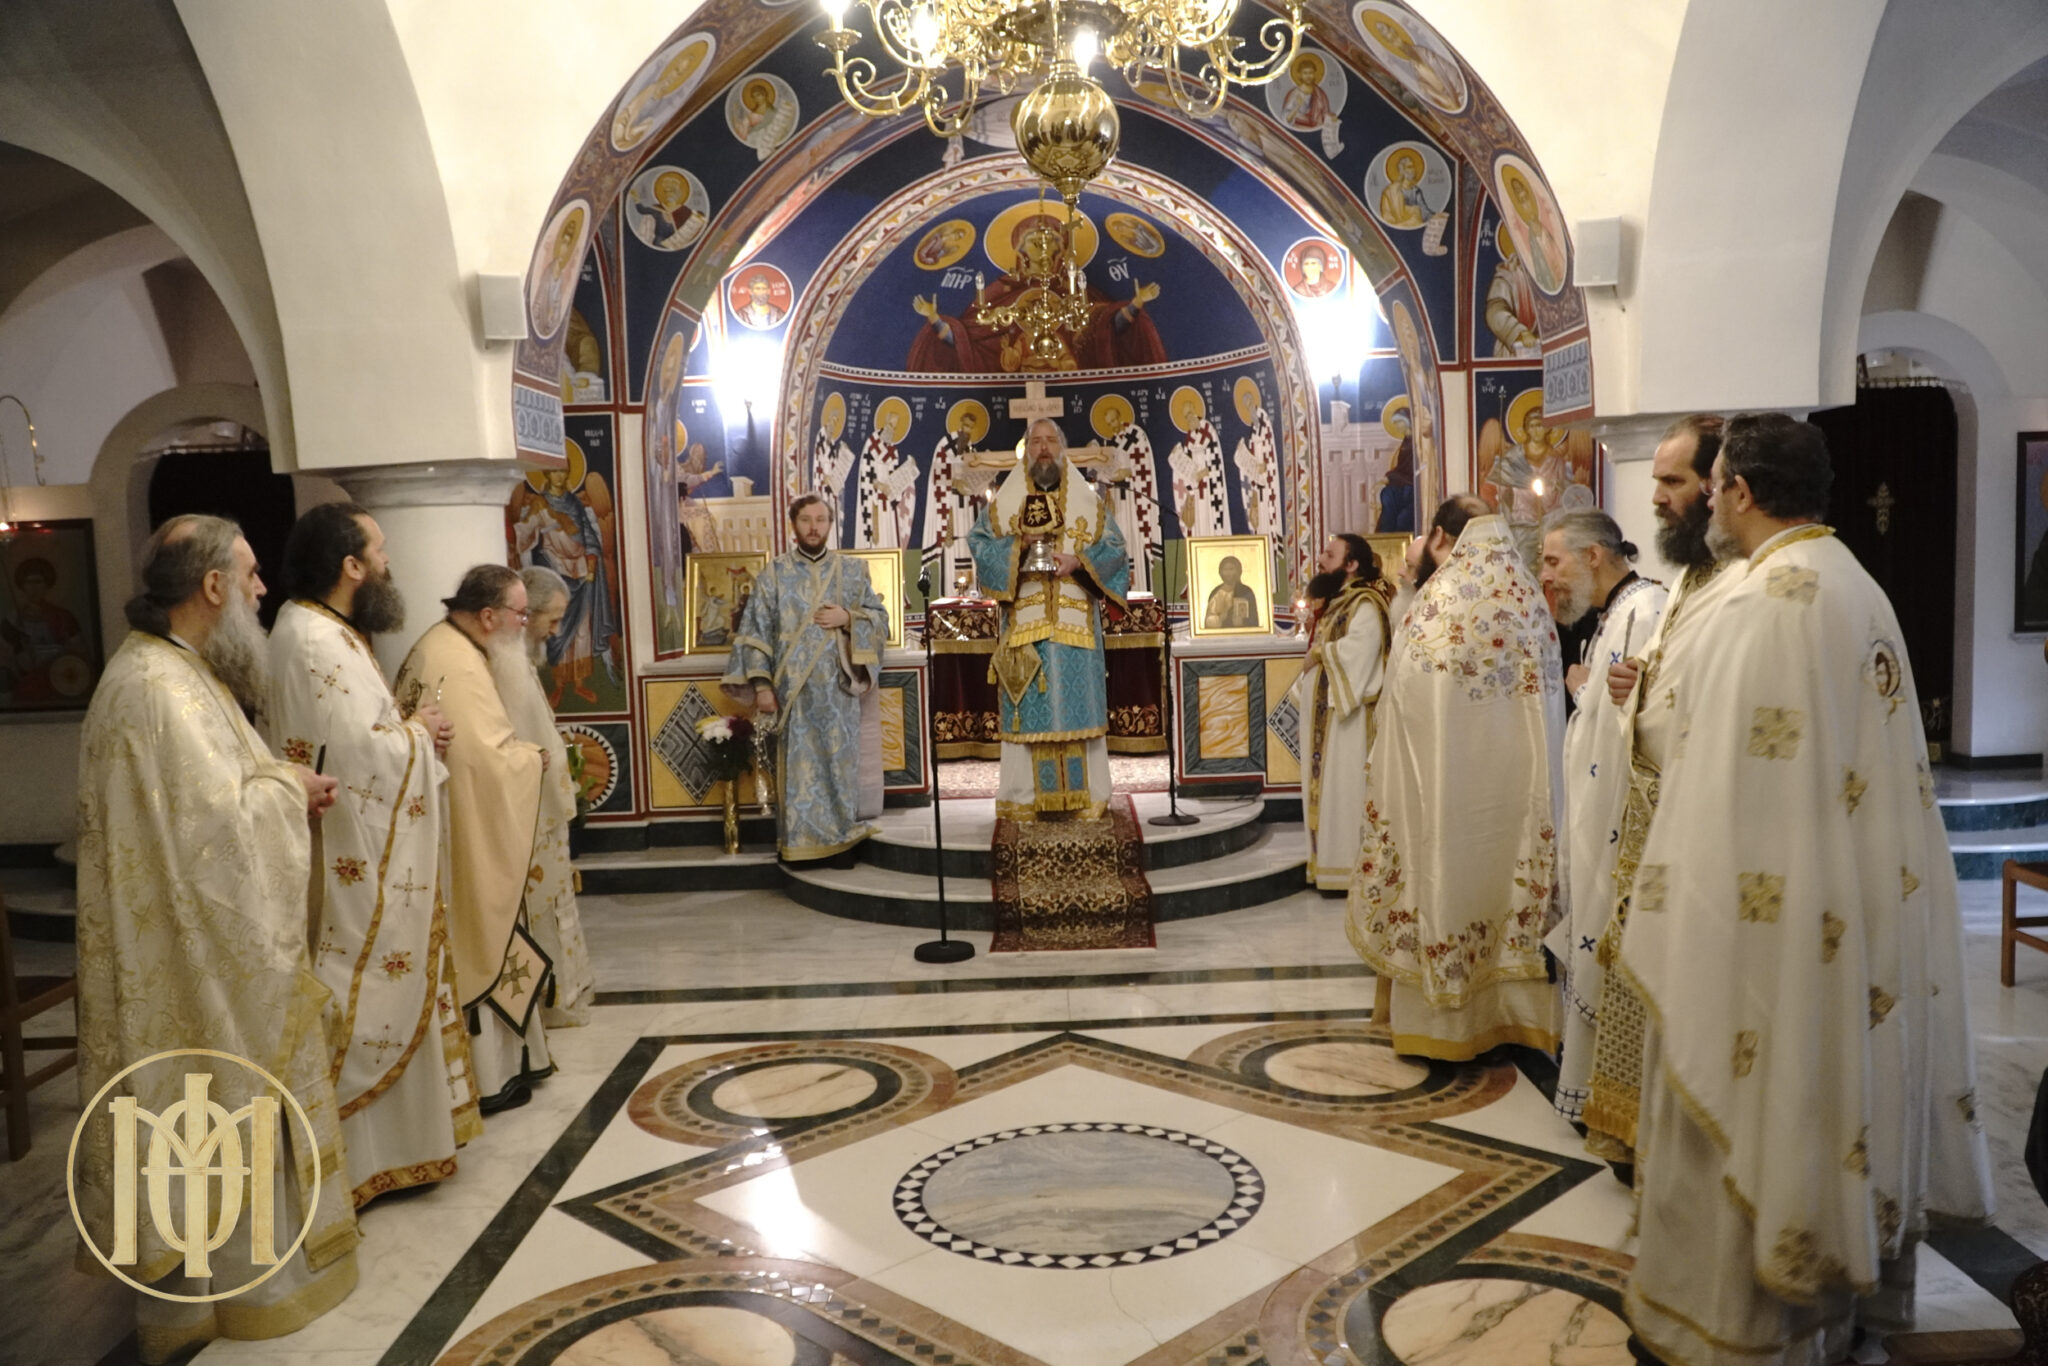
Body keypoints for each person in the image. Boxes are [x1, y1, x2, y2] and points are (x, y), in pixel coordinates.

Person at [1618, 413, 1992, 1366]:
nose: (1707, 506)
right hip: (1854, 916)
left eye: (1714, 488)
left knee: (1756, 1099)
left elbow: (1689, 760)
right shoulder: (1858, 586)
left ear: (1738, 491)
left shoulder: (1754, 605)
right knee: (1835, 1095)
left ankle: (1725, 1331)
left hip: (1763, 936)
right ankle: (1833, 1311)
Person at [74, 514, 360, 1361]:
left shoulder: (175, 671)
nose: (262, 590)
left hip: (182, 942)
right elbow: (218, 842)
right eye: (249, 575)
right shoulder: (157, 688)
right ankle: (237, 1291)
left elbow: (218, 804)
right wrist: (289, 792)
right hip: (190, 957)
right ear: (210, 587)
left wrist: (276, 782)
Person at [265, 503, 480, 1210]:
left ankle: (404, 1147)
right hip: (349, 857)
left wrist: (409, 733)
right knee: (359, 989)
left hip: (355, 842)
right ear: (351, 565)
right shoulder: (315, 639)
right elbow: (360, 756)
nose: (390, 561)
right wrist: (419, 732)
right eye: (380, 550)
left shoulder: (324, 629)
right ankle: (368, 1154)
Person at [1574, 414, 1739, 1164]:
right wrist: (1635, 680)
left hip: (1702, 830)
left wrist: (1639, 688)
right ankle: (1637, 1132)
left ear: (1719, 487)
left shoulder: (1742, 586)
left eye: (1673, 481)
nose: (1658, 497)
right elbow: (1669, 677)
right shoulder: (1691, 580)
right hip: (1653, 821)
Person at [1348, 495, 1564, 1059]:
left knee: (1443, 872)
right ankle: (1518, 1019)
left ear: (1442, 537)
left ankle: (1442, 1029)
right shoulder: (1529, 601)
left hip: (1447, 798)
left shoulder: (1436, 605)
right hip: (1518, 801)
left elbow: (1404, 711)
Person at [395, 566, 551, 1112]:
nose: (524, 625)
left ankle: (506, 1064)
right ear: (488, 616)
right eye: (520, 614)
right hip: (467, 834)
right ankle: (488, 1075)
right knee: (479, 933)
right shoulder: (458, 664)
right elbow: (483, 763)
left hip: (454, 826)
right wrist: (532, 759)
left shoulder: (441, 645)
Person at [1533, 508, 1665, 1139]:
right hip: (1594, 811)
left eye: (1552, 560)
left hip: (1619, 817)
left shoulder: (1646, 610)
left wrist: (1585, 689)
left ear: (1592, 556)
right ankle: (1587, 1091)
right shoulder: (1613, 614)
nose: (1546, 576)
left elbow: (1645, 720)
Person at [968, 417, 1132, 819]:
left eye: (1050, 441)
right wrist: (1019, 543)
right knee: (1028, 717)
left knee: (1078, 713)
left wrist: (1079, 561)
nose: (1043, 448)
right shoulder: (1005, 503)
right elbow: (980, 545)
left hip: (1077, 630)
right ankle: (1024, 798)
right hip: (1025, 631)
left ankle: (1088, 798)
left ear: (1062, 449)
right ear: (1027, 451)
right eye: (1036, 441)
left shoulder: (1089, 502)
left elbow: (1116, 550)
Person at [723, 493, 890, 860]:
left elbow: (881, 621)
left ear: (830, 525)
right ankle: (799, 846)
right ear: (793, 525)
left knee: (838, 769)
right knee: (800, 774)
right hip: (793, 694)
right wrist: (762, 687)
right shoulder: (774, 574)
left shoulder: (851, 572)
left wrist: (849, 618)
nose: (814, 528)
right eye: (806, 520)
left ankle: (841, 840)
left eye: (821, 520)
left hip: (839, 692)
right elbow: (754, 632)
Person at [498, 567, 597, 1028]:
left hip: (542, 807)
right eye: (552, 619)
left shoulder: (519, 661)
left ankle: (562, 994)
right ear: (526, 614)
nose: (556, 631)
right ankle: (544, 998)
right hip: (524, 811)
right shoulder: (502, 663)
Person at [1296, 534, 1393, 891]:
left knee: (1344, 792)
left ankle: (1346, 870)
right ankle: (1325, 866)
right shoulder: (1341, 601)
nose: (1321, 560)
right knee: (1328, 793)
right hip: (1330, 718)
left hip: (1347, 722)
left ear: (1351, 565)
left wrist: (1319, 653)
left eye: (1330, 554)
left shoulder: (1366, 603)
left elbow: (1360, 652)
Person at [1202, 555, 1260, 629]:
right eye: (1225, 569)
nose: (1228, 573)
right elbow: (1209, 620)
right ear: (1220, 572)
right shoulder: (1216, 593)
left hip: (1242, 633)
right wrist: (1218, 620)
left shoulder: (1246, 592)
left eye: (1231, 569)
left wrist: (1243, 622)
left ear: (1238, 571)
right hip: (1221, 633)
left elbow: (1253, 619)